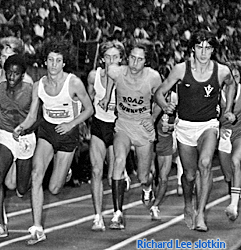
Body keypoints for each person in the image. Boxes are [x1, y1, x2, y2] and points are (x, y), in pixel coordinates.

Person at [13, 39, 94, 245]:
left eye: (58, 60)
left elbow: (89, 109)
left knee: (55, 188)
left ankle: (65, 172)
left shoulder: (73, 82)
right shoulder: (39, 86)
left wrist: (71, 124)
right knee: (36, 175)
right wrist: (21, 127)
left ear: (63, 63)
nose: (54, 64)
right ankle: (37, 228)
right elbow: (33, 116)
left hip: (67, 135)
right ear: (45, 62)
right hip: (47, 132)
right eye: (50, 60)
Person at [154, 29, 236, 232]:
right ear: (192, 49)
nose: (203, 52)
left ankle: (201, 214)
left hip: (208, 125)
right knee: (189, 176)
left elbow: (231, 84)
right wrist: (165, 106)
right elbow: (159, 92)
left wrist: (228, 109)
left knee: (206, 163)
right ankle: (188, 204)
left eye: (208, 48)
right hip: (185, 127)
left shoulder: (222, 71)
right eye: (199, 47)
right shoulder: (181, 70)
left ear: (213, 51)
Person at [99, 40, 162, 229]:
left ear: (146, 62)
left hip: (143, 127)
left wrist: (152, 118)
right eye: (132, 58)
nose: (135, 63)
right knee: (118, 160)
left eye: (139, 60)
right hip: (124, 125)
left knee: (143, 175)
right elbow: (110, 75)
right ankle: (117, 213)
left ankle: (147, 187)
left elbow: (160, 99)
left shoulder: (153, 77)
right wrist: (107, 96)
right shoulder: (117, 71)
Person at [87, 40, 126, 231]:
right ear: (102, 58)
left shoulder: (126, 78)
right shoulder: (93, 76)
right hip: (99, 125)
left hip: (117, 127)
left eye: (115, 57)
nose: (111, 60)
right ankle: (97, 216)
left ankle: (117, 213)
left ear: (121, 59)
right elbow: (86, 101)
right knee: (96, 171)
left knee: (113, 175)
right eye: (108, 57)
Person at [0, 54, 36, 237]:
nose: (12, 77)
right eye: (9, 73)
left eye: (16, 74)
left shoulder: (31, 90)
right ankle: (0, 224)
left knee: (20, 189)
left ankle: (33, 174)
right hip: (5, 136)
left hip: (25, 140)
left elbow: (39, 119)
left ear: (22, 75)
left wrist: (24, 128)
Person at [150, 89, 183, 220]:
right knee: (149, 175)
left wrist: (171, 127)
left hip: (166, 143)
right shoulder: (152, 102)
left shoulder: (176, 101)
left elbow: (180, 122)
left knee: (164, 178)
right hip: (151, 142)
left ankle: (155, 206)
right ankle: (148, 189)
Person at [218, 65, 241, 221]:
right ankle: (235, 192)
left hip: (240, 133)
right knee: (228, 175)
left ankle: (233, 205)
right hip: (225, 135)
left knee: (236, 162)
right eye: (231, 76)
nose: (234, 79)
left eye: (237, 76)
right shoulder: (217, 95)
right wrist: (218, 127)